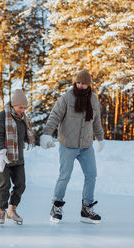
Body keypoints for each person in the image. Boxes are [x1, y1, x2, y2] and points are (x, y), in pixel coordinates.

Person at [40, 69, 105, 224]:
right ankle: (56, 206)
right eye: (78, 82)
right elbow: (54, 116)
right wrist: (46, 134)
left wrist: (100, 138)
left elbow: (96, 121)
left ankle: (86, 208)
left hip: (86, 145)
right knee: (65, 176)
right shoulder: (67, 98)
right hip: (68, 145)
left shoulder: (94, 100)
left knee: (91, 175)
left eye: (83, 83)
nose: (80, 85)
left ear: (89, 84)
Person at [0, 89, 35, 225]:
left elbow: (27, 137)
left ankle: (12, 209)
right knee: (5, 184)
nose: (22, 110)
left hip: (18, 158)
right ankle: (1, 211)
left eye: (24, 108)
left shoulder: (23, 120)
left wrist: (42, 141)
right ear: (14, 105)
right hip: (2, 156)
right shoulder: (2, 116)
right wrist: (1, 150)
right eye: (20, 107)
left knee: (21, 184)